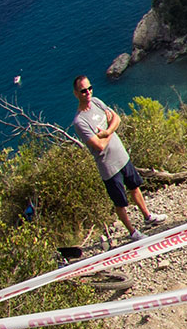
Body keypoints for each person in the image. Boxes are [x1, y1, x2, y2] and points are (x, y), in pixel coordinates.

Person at [71, 76, 167, 242]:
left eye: (89, 88)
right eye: (83, 91)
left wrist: (107, 132)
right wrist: (111, 130)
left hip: (122, 156)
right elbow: (98, 146)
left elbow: (117, 119)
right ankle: (132, 232)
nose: (88, 93)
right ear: (76, 93)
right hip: (108, 166)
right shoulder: (80, 122)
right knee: (120, 202)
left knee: (134, 187)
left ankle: (148, 216)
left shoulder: (96, 102)